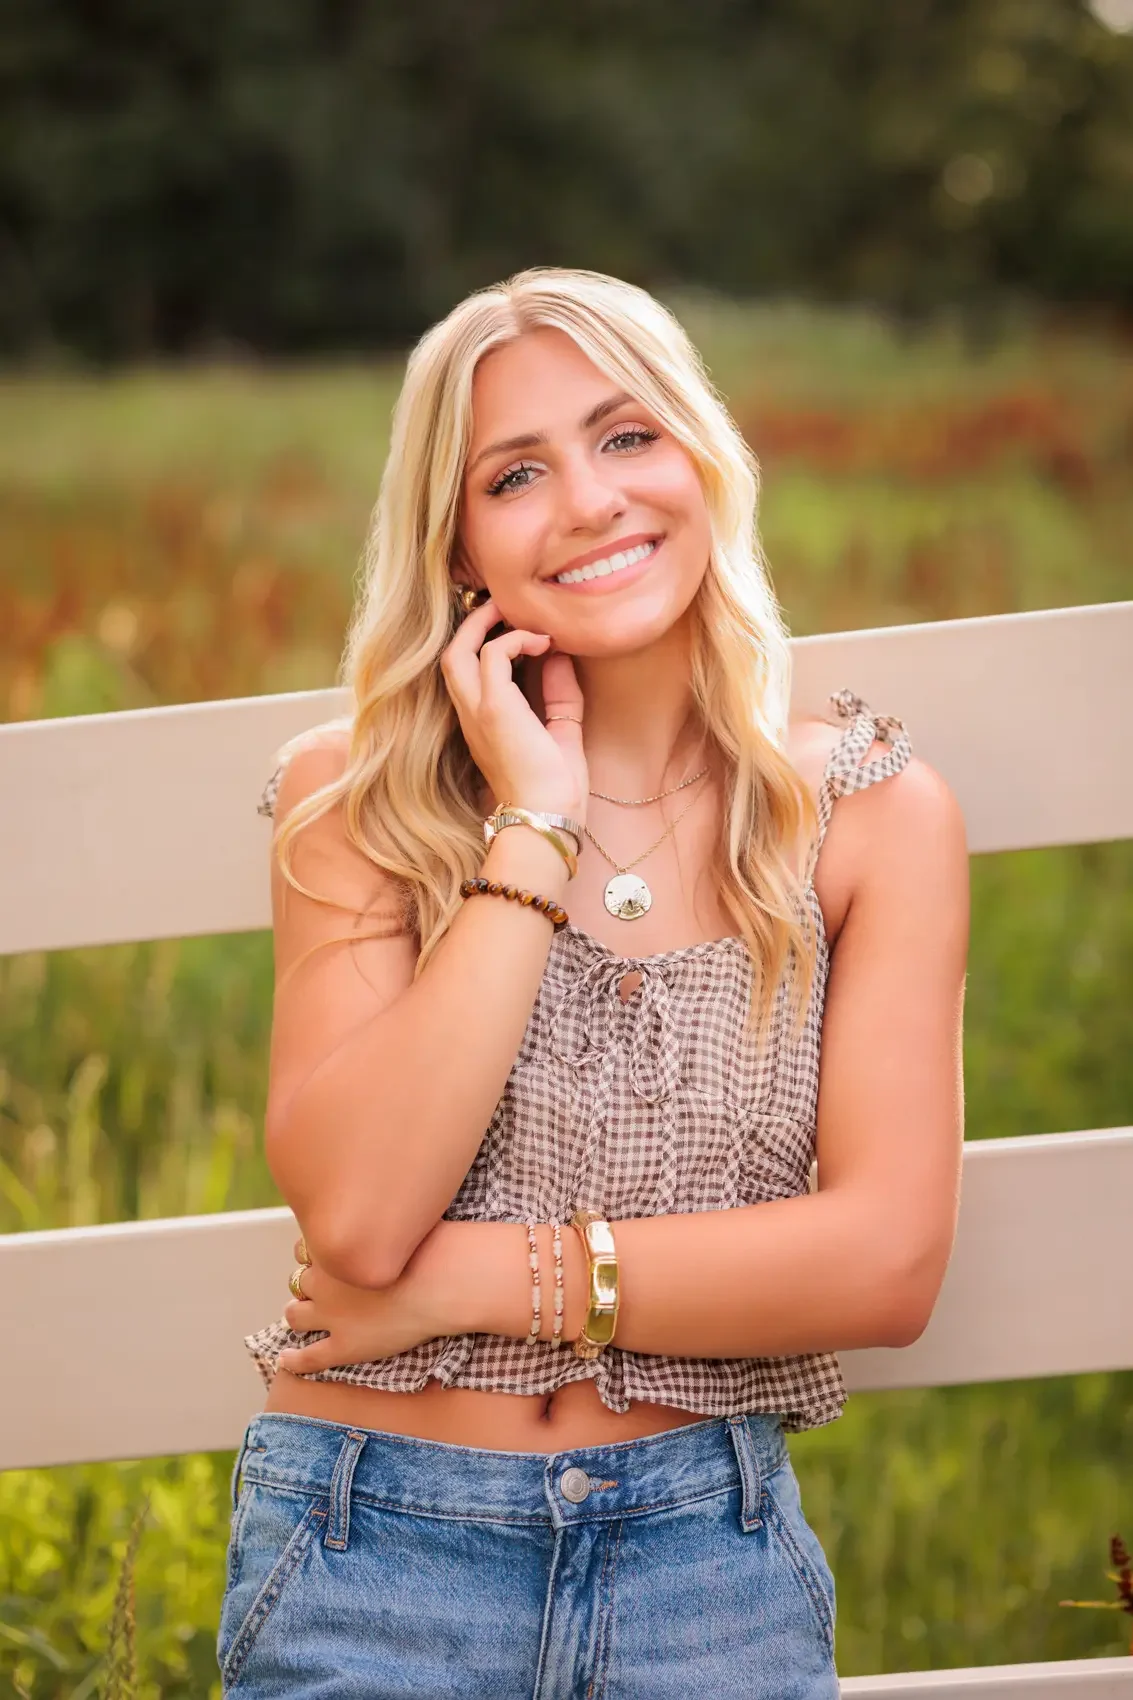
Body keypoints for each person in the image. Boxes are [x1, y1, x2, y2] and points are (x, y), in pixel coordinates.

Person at [217, 266, 969, 1697]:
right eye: (516, 473)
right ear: (457, 544)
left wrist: (464, 1288)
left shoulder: (871, 811)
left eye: (629, 437)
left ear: (701, 457)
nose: (590, 502)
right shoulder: (354, 799)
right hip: (373, 1546)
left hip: (708, 1562)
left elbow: (885, 1261)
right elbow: (362, 1212)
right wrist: (534, 826)